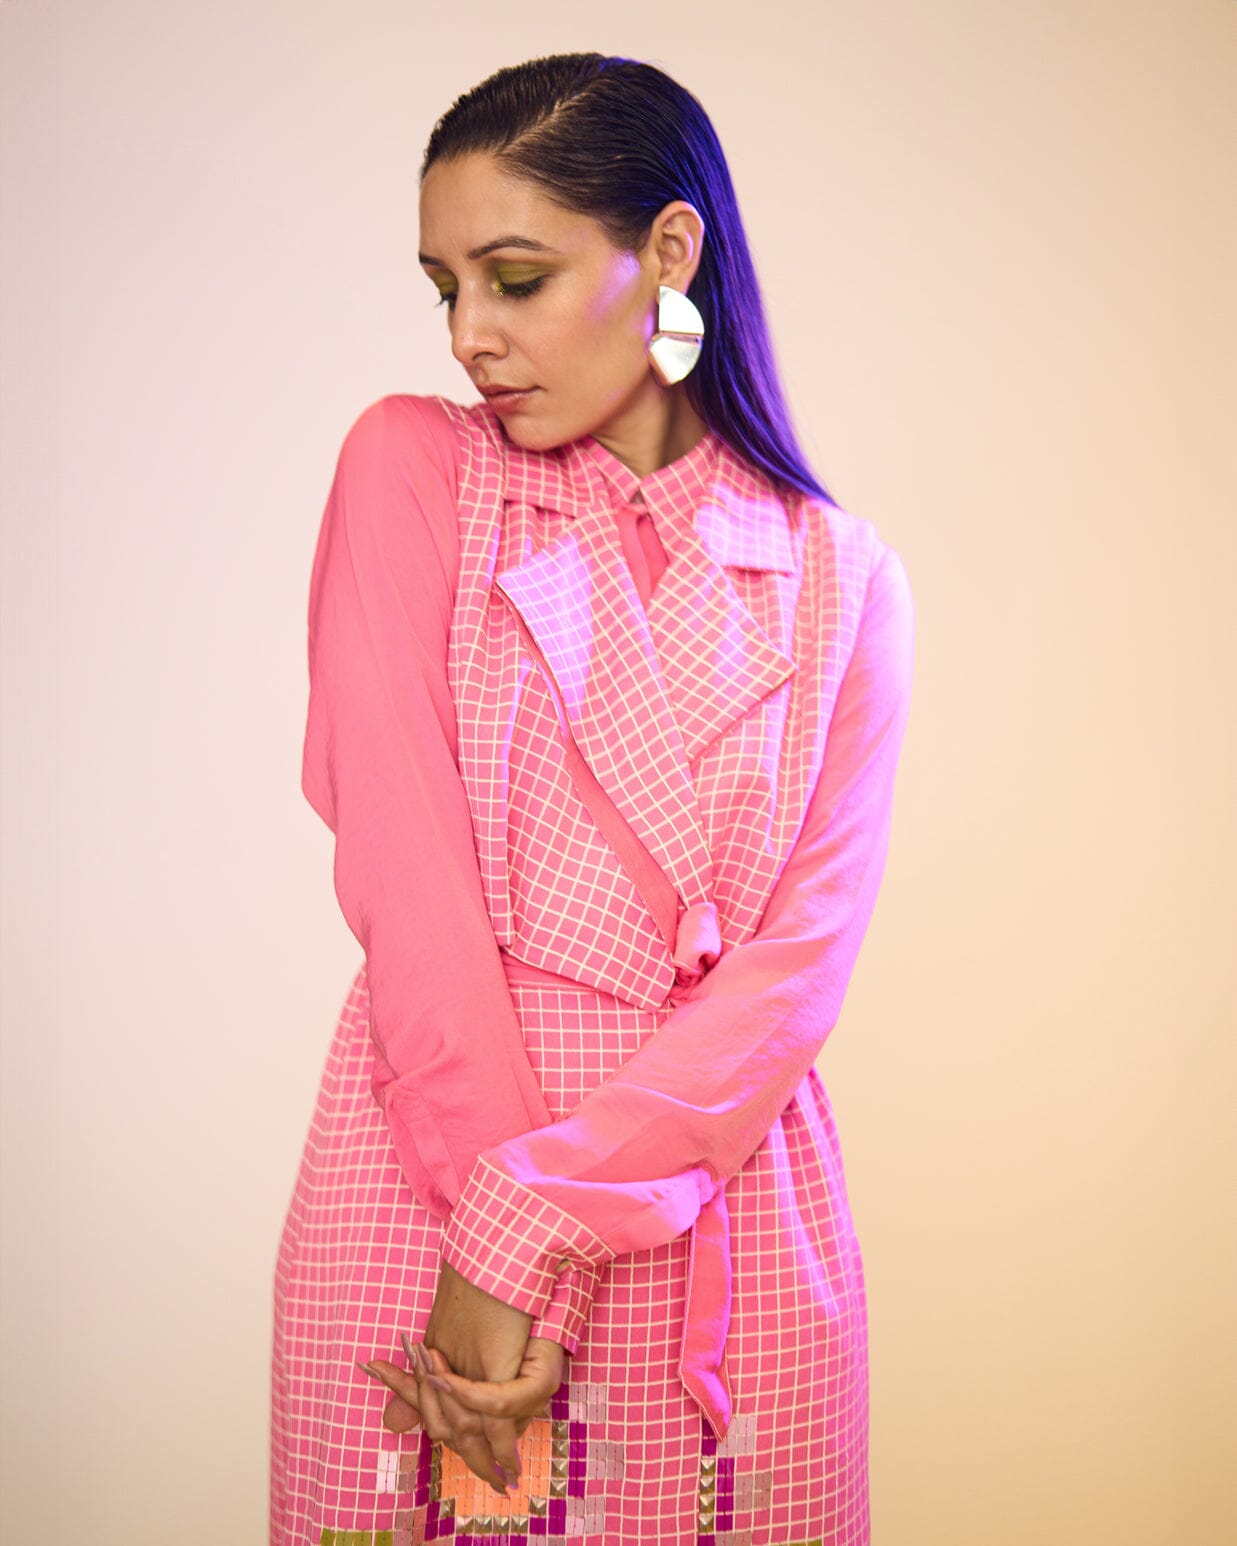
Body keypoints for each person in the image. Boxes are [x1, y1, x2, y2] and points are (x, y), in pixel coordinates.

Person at [271, 51, 914, 1546]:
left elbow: (793, 977)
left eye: (515, 278)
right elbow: (410, 886)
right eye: (445, 288)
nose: (470, 336)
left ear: (669, 253)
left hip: (716, 1202)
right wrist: (496, 1253)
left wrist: (534, 1227)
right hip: (429, 1186)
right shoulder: (414, 470)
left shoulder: (843, 578)